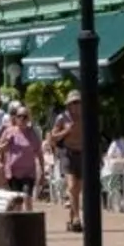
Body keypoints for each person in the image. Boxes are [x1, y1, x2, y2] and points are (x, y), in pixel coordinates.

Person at [48, 91, 86, 232]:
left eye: (79, 103)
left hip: (82, 154)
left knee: (78, 189)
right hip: (67, 153)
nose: (76, 106)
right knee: (71, 186)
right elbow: (53, 137)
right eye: (74, 103)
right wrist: (66, 131)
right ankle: (77, 218)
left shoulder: (86, 117)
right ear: (69, 105)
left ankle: (71, 219)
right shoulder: (62, 118)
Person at [0, 105, 42, 204]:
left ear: (28, 118)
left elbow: (39, 152)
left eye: (25, 117)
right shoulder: (9, 131)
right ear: (15, 118)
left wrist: (42, 171)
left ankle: (29, 218)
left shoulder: (33, 133)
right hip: (13, 173)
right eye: (19, 116)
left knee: (26, 196)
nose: (22, 119)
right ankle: (18, 218)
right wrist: (6, 144)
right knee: (16, 201)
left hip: (29, 173)